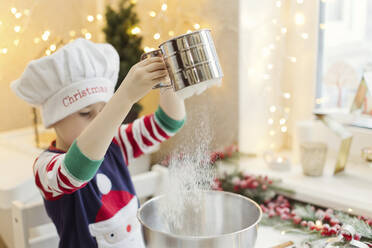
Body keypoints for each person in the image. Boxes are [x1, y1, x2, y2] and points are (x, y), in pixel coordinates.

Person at [11, 38, 186, 248]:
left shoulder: (117, 143)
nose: (99, 121)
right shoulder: (46, 168)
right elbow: (77, 169)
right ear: (54, 120)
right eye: (86, 113)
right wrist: (125, 96)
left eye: (104, 112)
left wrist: (168, 80)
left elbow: (168, 123)